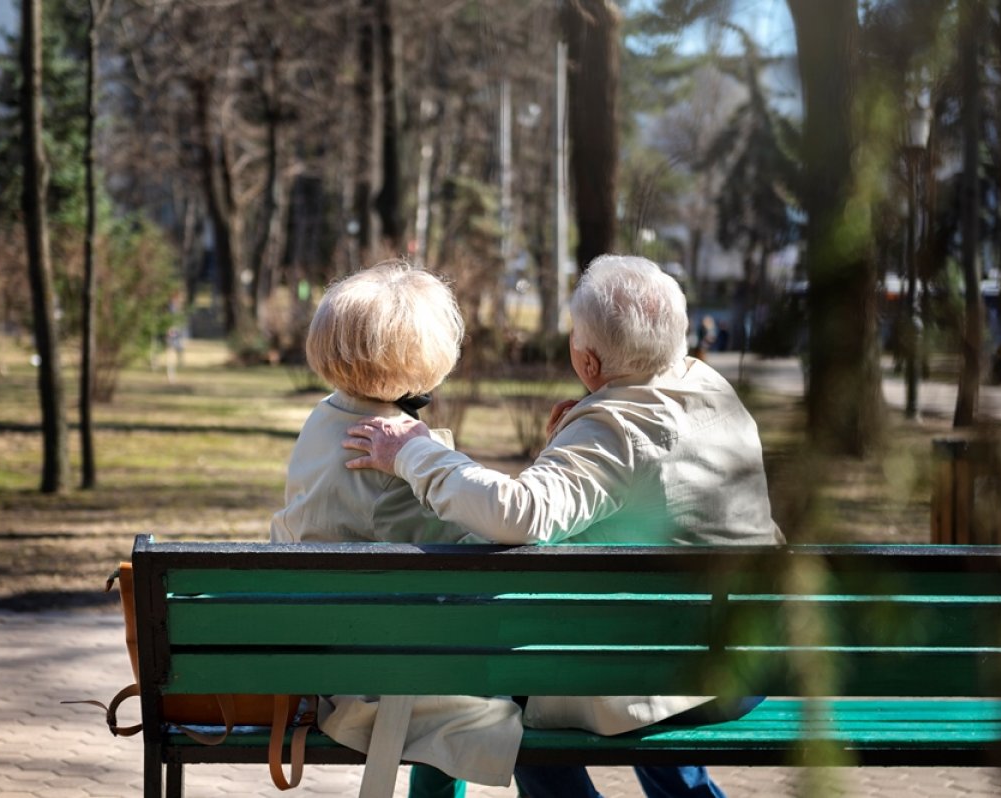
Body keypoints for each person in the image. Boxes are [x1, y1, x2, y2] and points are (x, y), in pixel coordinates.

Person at [343, 254, 784, 798]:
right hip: (755, 658)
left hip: (687, 676)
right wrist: (571, 441)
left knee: (506, 693)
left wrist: (414, 452)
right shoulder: (710, 389)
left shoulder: (614, 431)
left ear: (590, 360)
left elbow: (519, 515)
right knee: (633, 658)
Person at [271, 260, 522, 795]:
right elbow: (473, 553)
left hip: (320, 644)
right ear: (425, 355)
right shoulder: (388, 455)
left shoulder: (324, 418)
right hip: (370, 675)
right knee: (492, 703)